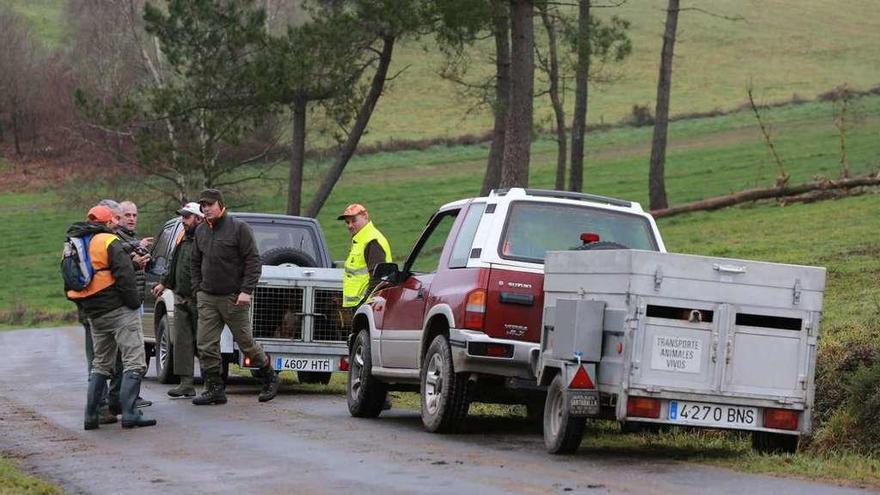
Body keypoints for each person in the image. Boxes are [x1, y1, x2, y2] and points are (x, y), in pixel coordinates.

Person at [66, 205, 156, 429]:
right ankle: (129, 414)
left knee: (100, 363)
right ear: (107, 223)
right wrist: (134, 304)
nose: (116, 224)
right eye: (113, 221)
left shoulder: (74, 244)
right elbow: (124, 275)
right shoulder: (108, 241)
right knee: (134, 360)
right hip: (119, 311)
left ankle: (90, 416)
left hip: (94, 314)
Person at [190, 188, 279, 405]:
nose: (206, 209)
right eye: (203, 205)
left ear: (221, 205)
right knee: (205, 344)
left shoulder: (239, 228)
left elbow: (253, 261)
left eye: (210, 204)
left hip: (234, 297)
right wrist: (197, 290)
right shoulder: (201, 231)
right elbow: (194, 262)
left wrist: (246, 291)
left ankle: (269, 376)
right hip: (208, 297)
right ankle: (215, 388)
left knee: (245, 342)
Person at [151, 202, 204, 398]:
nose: (183, 220)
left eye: (187, 217)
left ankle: (212, 384)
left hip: (200, 300)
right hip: (181, 298)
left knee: (204, 343)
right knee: (182, 342)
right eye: (183, 216)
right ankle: (186, 383)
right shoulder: (183, 240)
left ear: (198, 219)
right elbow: (174, 264)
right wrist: (164, 283)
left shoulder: (206, 240)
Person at [338, 203, 392, 313]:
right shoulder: (361, 239)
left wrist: (365, 304)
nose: (350, 225)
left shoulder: (372, 241)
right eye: (347, 222)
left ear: (365, 216)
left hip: (366, 306)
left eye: (354, 220)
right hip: (360, 305)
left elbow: (378, 277)